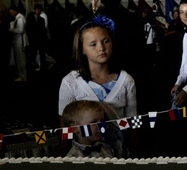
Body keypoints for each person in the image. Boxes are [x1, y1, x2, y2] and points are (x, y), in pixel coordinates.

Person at [58, 18, 137, 155]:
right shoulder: (70, 82)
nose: (101, 48)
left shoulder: (126, 80)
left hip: (119, 155)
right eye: (93, 44)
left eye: (106, 41)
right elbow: (64, 128)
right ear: (82, 49)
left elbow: (133, 125)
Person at [8, 6, 28, 81]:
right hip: (18, 40)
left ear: (15, 11)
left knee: (21, 59)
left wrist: (11, 29)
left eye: (11, 12)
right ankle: (21, 74)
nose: (11, 14)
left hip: (20, 40)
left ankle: (22, 75)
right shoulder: (18, 18)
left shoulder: (20, 18)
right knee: (19, 58)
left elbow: (20, 30)